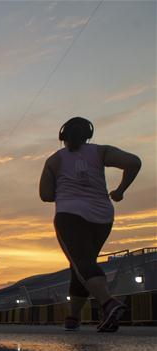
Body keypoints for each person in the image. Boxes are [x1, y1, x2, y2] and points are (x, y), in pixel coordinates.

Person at [39, 117, 141, 333]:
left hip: (70, 215)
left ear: (63, 136)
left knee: (83, 262)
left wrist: (65, 186)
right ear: (88, 135)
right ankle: (73, 317)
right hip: (102, 216)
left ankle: (108, 303)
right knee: (81, 264)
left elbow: (45, 195)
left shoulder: (54, 160)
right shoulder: (101, 152)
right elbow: (133, 162)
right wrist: (121, 190)